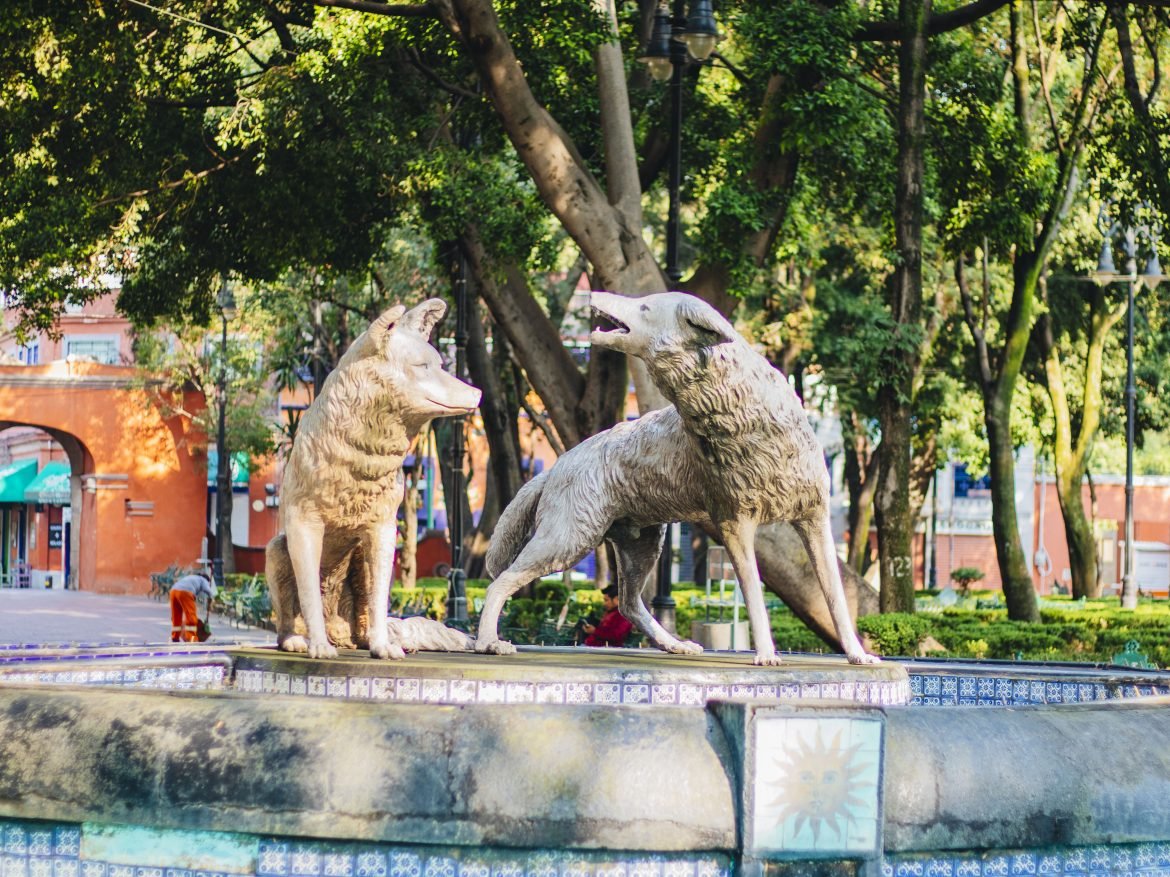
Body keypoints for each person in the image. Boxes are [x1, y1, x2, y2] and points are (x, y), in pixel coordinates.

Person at [169, 573, 217, 642]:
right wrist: (212, 599)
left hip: (173, 591)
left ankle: (175, 637)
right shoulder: (203, 580)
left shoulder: (192, 578)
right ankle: (191, 638)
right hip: (185, 592)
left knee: (176, 617)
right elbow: (208, 591)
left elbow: (198, 596)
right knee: (191, 616)